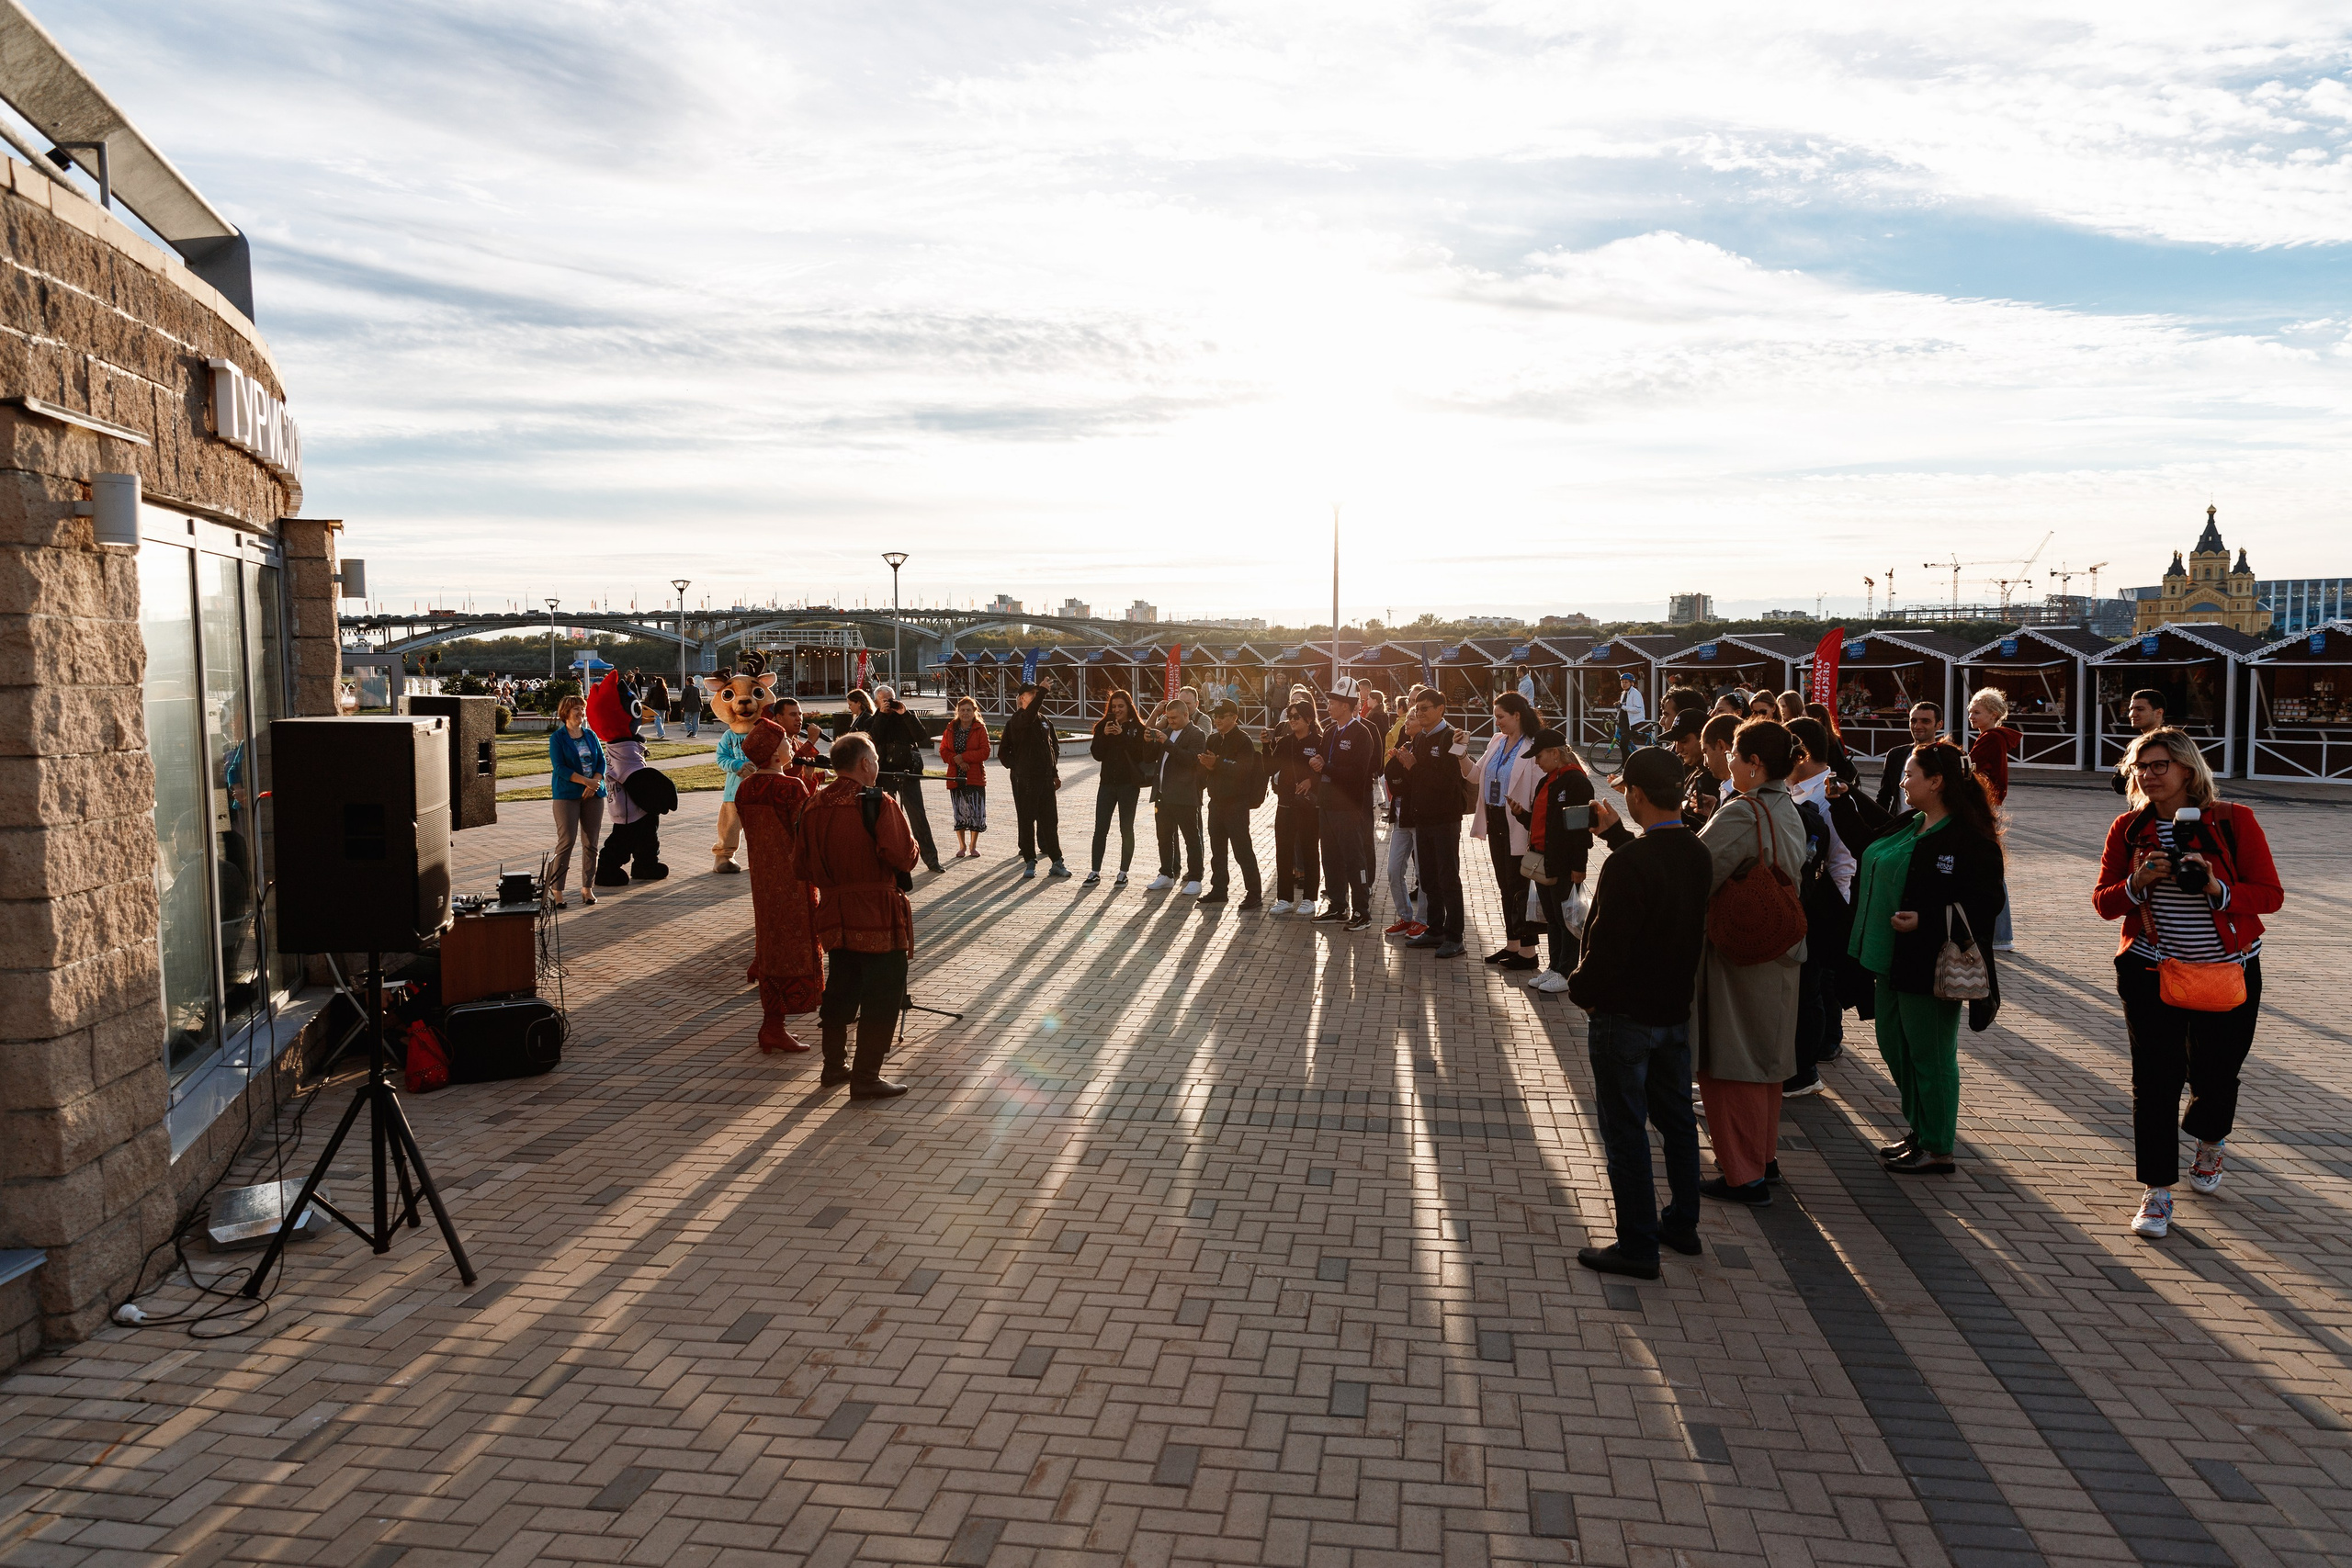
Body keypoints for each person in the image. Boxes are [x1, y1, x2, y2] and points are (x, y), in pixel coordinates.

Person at [2093, 728, 2281, 1238]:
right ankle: (2156, 1191)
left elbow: (2270, 895)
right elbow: (2104, 902)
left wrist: (2217, 887)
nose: (2148, 776)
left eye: (2159, 766)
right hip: (2152, 969)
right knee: (2154, 1081)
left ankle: (2209, 1138)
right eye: (2140, 767)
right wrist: (2136, 883)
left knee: (2216, 1075)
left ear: (2187, 770)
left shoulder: (2233, 822)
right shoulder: (2129, 829)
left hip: (2228, 971)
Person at [1566, 746, 1713, 1279]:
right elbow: (1662, 870)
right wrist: (1615, 838)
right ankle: (1682, 1223)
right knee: (1676, 1123)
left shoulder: (1628, 866)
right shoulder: (1696, 853)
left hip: (1624, 1016)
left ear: (1636, 794)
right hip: (1674, 1012)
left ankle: (1637, 1244)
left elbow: (1606, 949)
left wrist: (1582, 989)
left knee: (1626, 1130)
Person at [1849, 739, 2006, 1176]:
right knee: (1895, 1049)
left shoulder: (1966, 835)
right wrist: (1846, 799)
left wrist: (1928, 919)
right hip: (1887, 959)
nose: (1902, 781)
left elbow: (1988, 901)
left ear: (1936, 781)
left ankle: (1938, 1148)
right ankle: (1920, 1130)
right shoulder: (1910, 822)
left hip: (1930, 964)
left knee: (1931, 1057)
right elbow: (1866, 843)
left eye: (1909, 775)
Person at [1690, 719, 1807, 1207]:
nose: (1727, 763)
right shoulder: (1786, 806)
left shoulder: (1743, 812)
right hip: (1779, 946)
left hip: (1737, 952)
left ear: (1755, 763)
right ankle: (1763, 1159)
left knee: (1729, 1059)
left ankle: (1743, 1175)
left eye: (1735, 756)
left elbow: (1696, 870)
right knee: (1766, 1059)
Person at [798, 734, 917, 1100]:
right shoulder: (876, 801)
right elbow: (904, 856)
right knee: (883, 992)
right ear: (865, 764)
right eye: (876, 759)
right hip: (876, 909)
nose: (878, 765)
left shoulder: (813, 804)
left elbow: (800, 865)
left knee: (840, 987)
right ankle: (865, 1076)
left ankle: (833, 1065)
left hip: (833, 909)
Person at [1781, 716, 1860, 1097]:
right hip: (1803, 901)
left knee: (1813, 984)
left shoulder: (1827, 793)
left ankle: (1809, 1064)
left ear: (1803, 753)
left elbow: (1843, 860)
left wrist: (1838, 908)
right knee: (1805, 984)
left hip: (1822, 901)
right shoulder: (1794, 789)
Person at [737, 719, 823, 1054]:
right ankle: (774, 1027)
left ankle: (773, 1023)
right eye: (786, 741)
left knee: (771, 943)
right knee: (794, 945)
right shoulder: (790, 788)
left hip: (762, 879)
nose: (790, 744)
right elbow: (804, 834)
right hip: (793, 880)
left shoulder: (746, 788)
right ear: (774, 754)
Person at [1471, 693, 1544, 970]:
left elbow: (1539, 790)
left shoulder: (1533, 747)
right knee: (1505, 885)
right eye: (1495, 716)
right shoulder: (1497, 741)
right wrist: (1460, 753)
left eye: (1501, 716)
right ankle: (1512, 944)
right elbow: (1475, 775)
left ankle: (1528, 951)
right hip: (1496, 818)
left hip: (1519, 822)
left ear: (1517, 715)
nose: (1496, 721)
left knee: (1518, 886)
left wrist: (1530, 819)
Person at [1396, 689, 1471, 956]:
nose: (1419, 713)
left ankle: (1455, 937)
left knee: (1448, 878)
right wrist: (1403, 765)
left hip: (1444, 819)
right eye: (1417, 708)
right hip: (1423, 819)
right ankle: (1435, 930)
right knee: (1427, 879)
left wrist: (1414, 767)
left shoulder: (1452, 737)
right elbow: (1413, 780)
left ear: (1441, 709)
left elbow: (1448, 782)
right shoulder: (1420, 738)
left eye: (1425, 708)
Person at [1519, 728, 1594, 992]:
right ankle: (1554, 966)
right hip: (1543, 859)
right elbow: (1542, 821)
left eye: (1539, 756)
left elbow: (1579, 830)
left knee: (1566, 918)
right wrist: (1520, 815)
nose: (1536, 762)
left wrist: (1578, 866)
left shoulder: (1576, 782)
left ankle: (1567, 970)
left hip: (1563, 862)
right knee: (1552, 917)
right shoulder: (1547, 780)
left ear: (1554, 753)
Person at [1310, 682, 1379, 930]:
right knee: (1330, 858)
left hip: (1349, 808)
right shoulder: (1329, 731)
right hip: (1327, 804)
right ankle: (1338, 905)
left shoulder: (1361, 733)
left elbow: (1359, 773)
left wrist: (1325, 767)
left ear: (1347, 706)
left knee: (1355, 859)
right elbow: (1321, 759)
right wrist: (1318, 764)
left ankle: (1362, 910)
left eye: (1333, 703)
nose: (1328, 706)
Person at [857, 684, 944, 874]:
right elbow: (873, 738)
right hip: (884, 774)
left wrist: (905, 713)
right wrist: (881, 715)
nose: (889, 703)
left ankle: (932, 860)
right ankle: (887, 862)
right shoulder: (872, 720)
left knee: (918, 817)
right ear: (876, 702)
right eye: (884, 700)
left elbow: (922, 736)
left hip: (907, 772)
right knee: (885, 819)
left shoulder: (905, 717)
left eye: (891, 699)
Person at [1967, 687, 2022, 949]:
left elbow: (1974, 773)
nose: (1971, 716)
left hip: (1982, 807)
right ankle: (1998, 934)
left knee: (1989, 871)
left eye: (1977, 712)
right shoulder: (1992, 738)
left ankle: (2000, 934)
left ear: (1994, 714)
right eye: (1970, 711)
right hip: (1987, 806)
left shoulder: (1990, 738)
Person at [1197, 701, 1263, 908]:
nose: (1217, 720)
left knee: (1242, 850)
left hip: (1236, 804)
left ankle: (1254, 892)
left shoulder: (1243, 740)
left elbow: (1243, 770)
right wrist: (1206, 767)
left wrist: (1217, 764)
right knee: (1217, 850)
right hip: (1216, 802)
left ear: (1234, 717)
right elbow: (1205, 767)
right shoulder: (1213, 739)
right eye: (1215, 715)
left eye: (1222, 716)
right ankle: (1219, 889)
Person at [1000, 682, 1069, 879]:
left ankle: (1057, 860)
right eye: (1032, 694)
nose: (1036, 696)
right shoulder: (1018, 720)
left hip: (1046, 780)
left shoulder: (1045, 721)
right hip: (1025, 781)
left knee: (1050, 821)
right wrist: (1019, 767)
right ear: (1022, 698)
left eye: (1037, 694)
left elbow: (1052, 748)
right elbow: (1003, 753)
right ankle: (1030, 860)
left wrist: (1054, 772)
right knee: (1027, 820)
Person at [1086, 688, 1153, 885]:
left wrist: (1123, 735)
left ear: (1129, 707)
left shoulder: (1137, 729)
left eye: (1121, 706)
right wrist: (1105, 735)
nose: (1117, 710)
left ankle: (1123, 872)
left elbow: (1140, 755)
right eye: (1113, 706)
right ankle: (1095, 870)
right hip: (1106, 784)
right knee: (1100, 828)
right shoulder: (1102, 726)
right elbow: (1097, 754)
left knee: (1126, 828)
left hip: (1128, 785)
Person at [547, 694, 607, 907]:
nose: (581, 713)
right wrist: (585, 782)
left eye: (583, 709)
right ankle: (557, 890)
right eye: (577, 710)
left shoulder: (590, 735)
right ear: (566, 712)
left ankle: (587, 888)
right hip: (567, 795)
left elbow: (601, 761)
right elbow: (560, 768)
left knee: (591, 844)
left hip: (594, 795)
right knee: (567, 842)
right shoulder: (558, 738)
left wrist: (596, 782)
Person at [1145, 698, 1209, 895]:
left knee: (1191, 838)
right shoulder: (1167, 732)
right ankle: (1166, 874)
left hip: (1184, 795)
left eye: (1174, 718)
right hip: (1162, 795)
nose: (1170, 721)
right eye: (1168, 718)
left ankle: (1195, 878)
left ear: (1185, 715)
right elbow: (1149, 757)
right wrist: (1149, 742)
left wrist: (1168, 744)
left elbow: (1192, 760)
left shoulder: (1196, 733)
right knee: (1164, 836)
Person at [1267, 701, 1324, 916]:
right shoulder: (1284, 742)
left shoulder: (1319, 741)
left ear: (1309, 719)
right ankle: (1284, 899)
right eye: (1290, 715)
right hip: (1285, 804)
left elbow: (1326, 769)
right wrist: (1266, 745)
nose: (1292, 720)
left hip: (1308, 805)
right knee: (1283, 851)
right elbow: (1269, 768)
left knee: (1309, 850)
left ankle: (1309, 898)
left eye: (1297, 716)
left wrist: (1312, 780)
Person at [1376, 699, 1424, 935]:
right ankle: (1405, 916)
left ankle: (1422, 919)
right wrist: (1398, 762)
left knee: (1422, 873)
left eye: (1412, 718)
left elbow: (1414, 782)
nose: (1407, 722)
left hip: (1418, 818)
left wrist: (1405, 769)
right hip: (1399, 818)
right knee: (1394, 870)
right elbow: (1391, 776)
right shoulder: (1404, 744)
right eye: (1408, 718)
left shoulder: (1424, 747)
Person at [939, 695, 990, 858]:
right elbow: (943, 750)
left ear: (974, 711)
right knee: (959, 811)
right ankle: (961, 845)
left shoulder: (979, 728)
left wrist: (965, 757)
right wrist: (957, 761)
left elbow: (985, 751)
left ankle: (973, 846)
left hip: (974, 777)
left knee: (975, 811)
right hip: (956, 776)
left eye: (969, 710)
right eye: (962, 710)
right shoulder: (950, 729)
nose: (965, 713)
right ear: (957, 712)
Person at [1877, 702, 1940, 815]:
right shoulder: (1895, 755)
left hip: (1933, 827)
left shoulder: (1945, 757)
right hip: (1900, 825)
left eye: (1925, 721)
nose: (1917, 726)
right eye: (1913, 721)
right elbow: (1884, 796)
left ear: (1939, 725)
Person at [2109, 688, 2168, 795]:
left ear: (2159, 713)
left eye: (2140, 709)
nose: (2132, 714)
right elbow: (2118, 784)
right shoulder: (2136, 745)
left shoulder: (2171, 744)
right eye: (2131, 709)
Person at [1614, 671, 1645, 753]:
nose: (1623, 684)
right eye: (1622, 682)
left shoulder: (1635, 693)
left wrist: (1622, 706)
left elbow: (1638, 709)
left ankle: (1626, 764)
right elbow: (1623, 707)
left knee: (1623, 745)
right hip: (1624, 723)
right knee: (1626, 745)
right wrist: (1618, 706)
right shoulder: (1624, 693)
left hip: (1630, 723)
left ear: (1631, 683)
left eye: (1626, 682)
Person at [640, 674, 670, 739]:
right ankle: (661, 732)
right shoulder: (665, 689)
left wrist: (649, 703)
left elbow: (650, 697)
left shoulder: (654, 689)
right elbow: (667, 699)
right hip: (663, 706)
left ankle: (660, 732)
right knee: (662, 720)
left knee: (657, 719)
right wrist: (668, 708)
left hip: (655, 706)